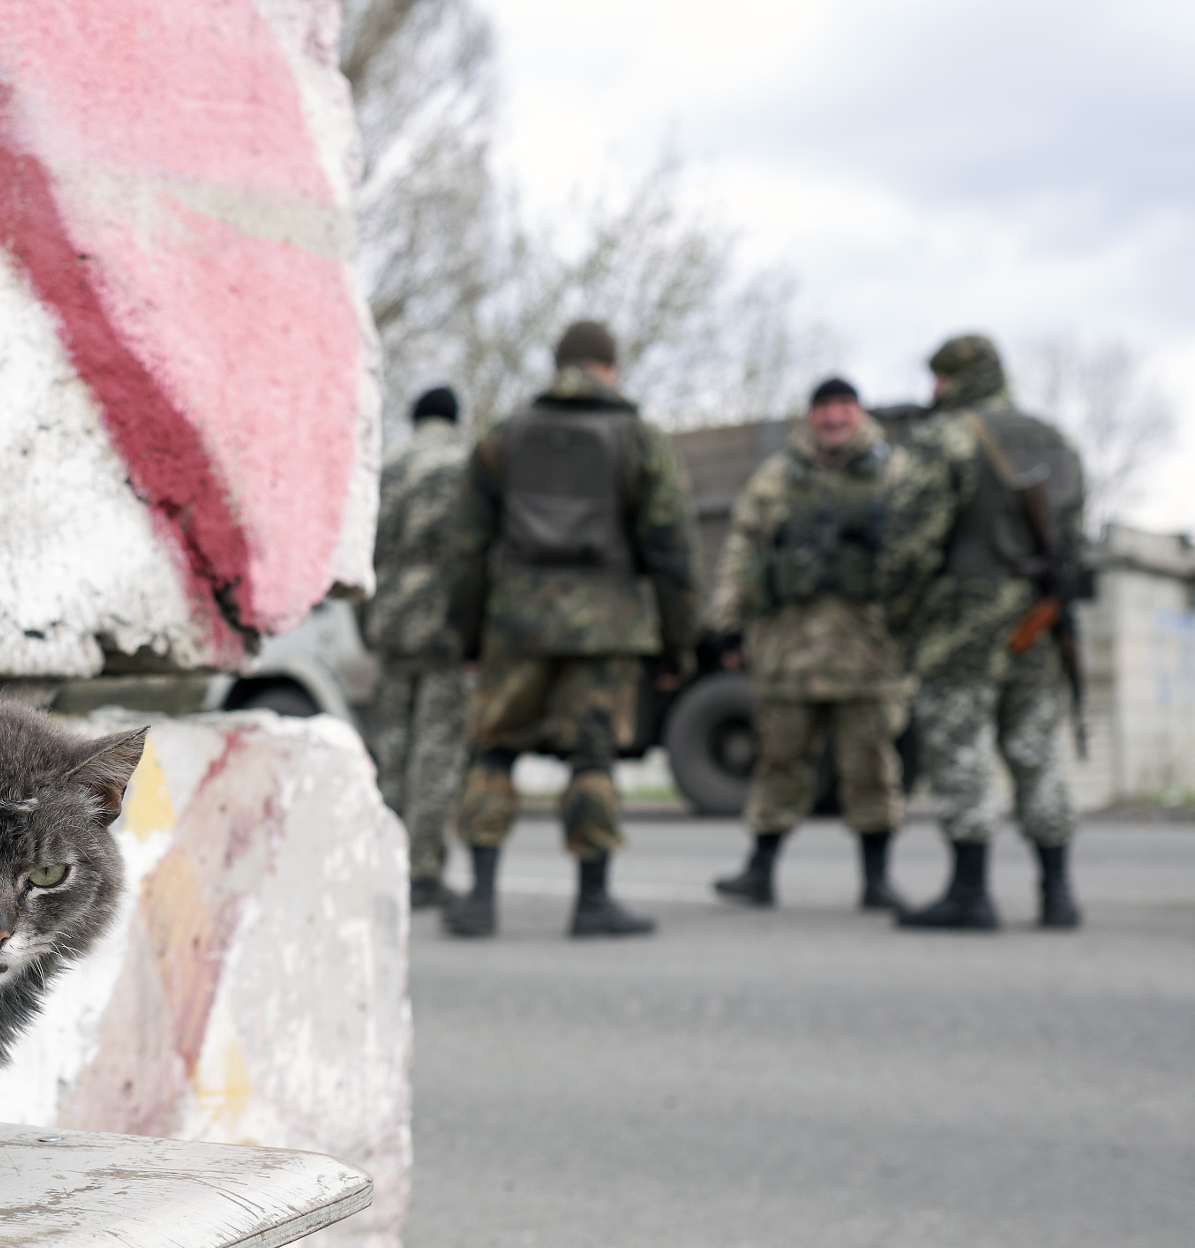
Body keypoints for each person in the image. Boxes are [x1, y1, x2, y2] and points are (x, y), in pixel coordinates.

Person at [445, 321, 700, 938]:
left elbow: (465, 549)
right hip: (607, 625)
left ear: (557, 365)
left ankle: (480, 899)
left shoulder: (502, 438)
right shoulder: (638, 438)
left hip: (517, 622)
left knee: (494, 750)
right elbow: (672, 549)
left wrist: (471, 635)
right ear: (609, 367)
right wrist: (678, 642)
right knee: (592, 758)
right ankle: (592, 902)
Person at [879, 334, 1087, 930]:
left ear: (946, 381)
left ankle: (970, 893)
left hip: (962, 625)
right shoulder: (1058, 439)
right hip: (1041, 621)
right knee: (1038, 751)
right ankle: (1058, 893)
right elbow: (1071, 541)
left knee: (961, 751)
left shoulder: (944, 439)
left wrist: (902, 619)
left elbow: (910, 547)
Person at [708, 378, 912, 912]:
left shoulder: (895, 474)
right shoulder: (776, 477)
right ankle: (758, 873)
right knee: (779, 764)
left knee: (871, 769)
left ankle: (876, 880)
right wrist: (728, 621)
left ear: (860, 412)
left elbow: (920, 553)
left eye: (843, 407)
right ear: (811, 416)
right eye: (823, 408)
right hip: (788, 653)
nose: (833, 417)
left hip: (866, 654)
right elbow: (741, 550)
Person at [362, 386, 474, 913]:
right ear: (455, 418)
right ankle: (424, 870)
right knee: (436, 748)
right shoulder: (465, 463)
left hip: (389, 619)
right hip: (443, 621)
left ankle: (383, 860)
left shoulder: (384, 467)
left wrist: (369, 622)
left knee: (392, 746)